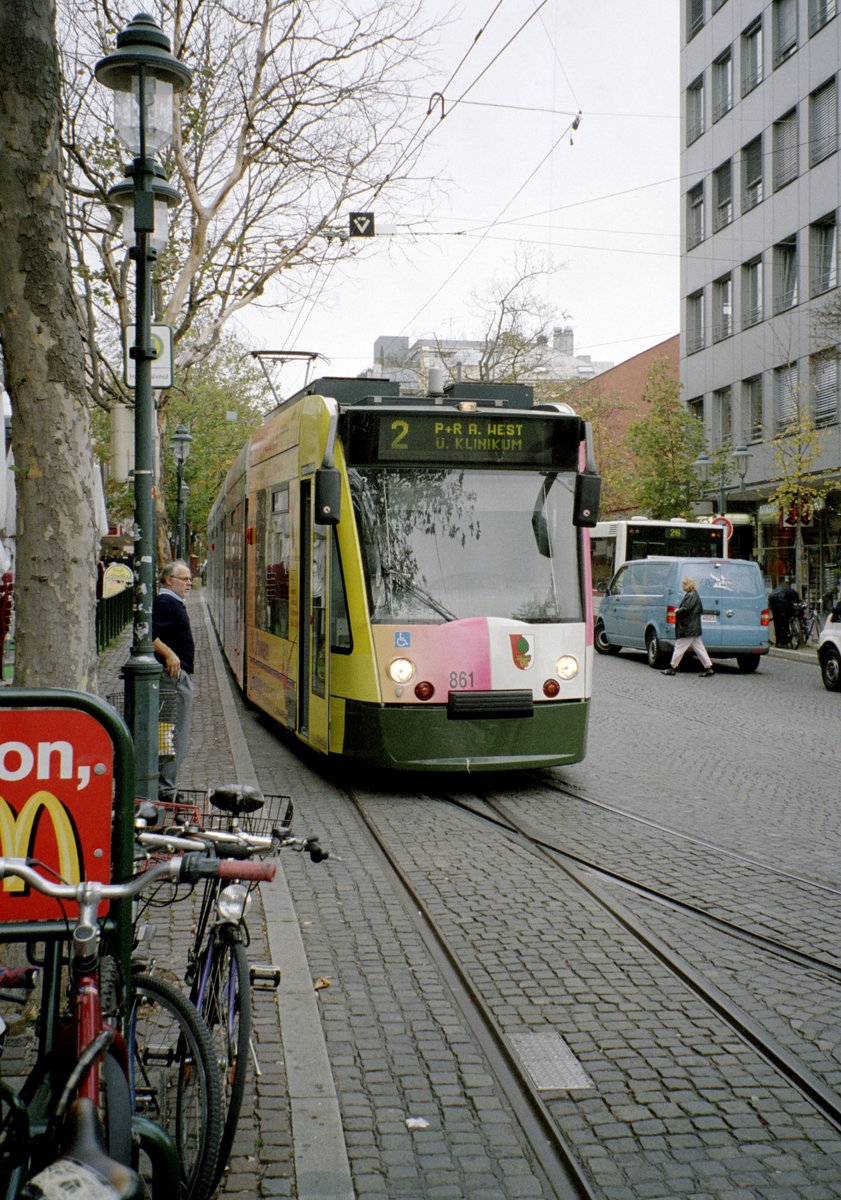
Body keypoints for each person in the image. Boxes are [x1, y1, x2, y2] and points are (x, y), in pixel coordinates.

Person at [152, 560, 195, 800]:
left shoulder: (170, 602)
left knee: (169, 733)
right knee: (173, 734)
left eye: (189, 579)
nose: (189, 583)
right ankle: (166, 789)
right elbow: (147, 634)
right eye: (184, 579)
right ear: (169, 580)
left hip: (175, 677)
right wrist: (169, 654)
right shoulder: (165, 602)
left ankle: (166, 785)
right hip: (172, 680)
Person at [661, 576, 714, 677]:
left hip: (688, 627)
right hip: (694, 627)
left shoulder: (690, 595)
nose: (682, 586)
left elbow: (686, 609)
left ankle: (672, 667)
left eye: (683, 584)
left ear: (686, 585)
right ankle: (708, 667)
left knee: (679, 647)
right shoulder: (694, 595)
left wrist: (677, 611)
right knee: (699, 649)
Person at [768, 577, 800, 647]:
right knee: (784, 623)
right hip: (782, 605)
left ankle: (778, 642)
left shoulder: (777, 589)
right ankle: (784, 642)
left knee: (777, 623)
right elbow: (796, 601)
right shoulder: (790, 591)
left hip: (773, 604)